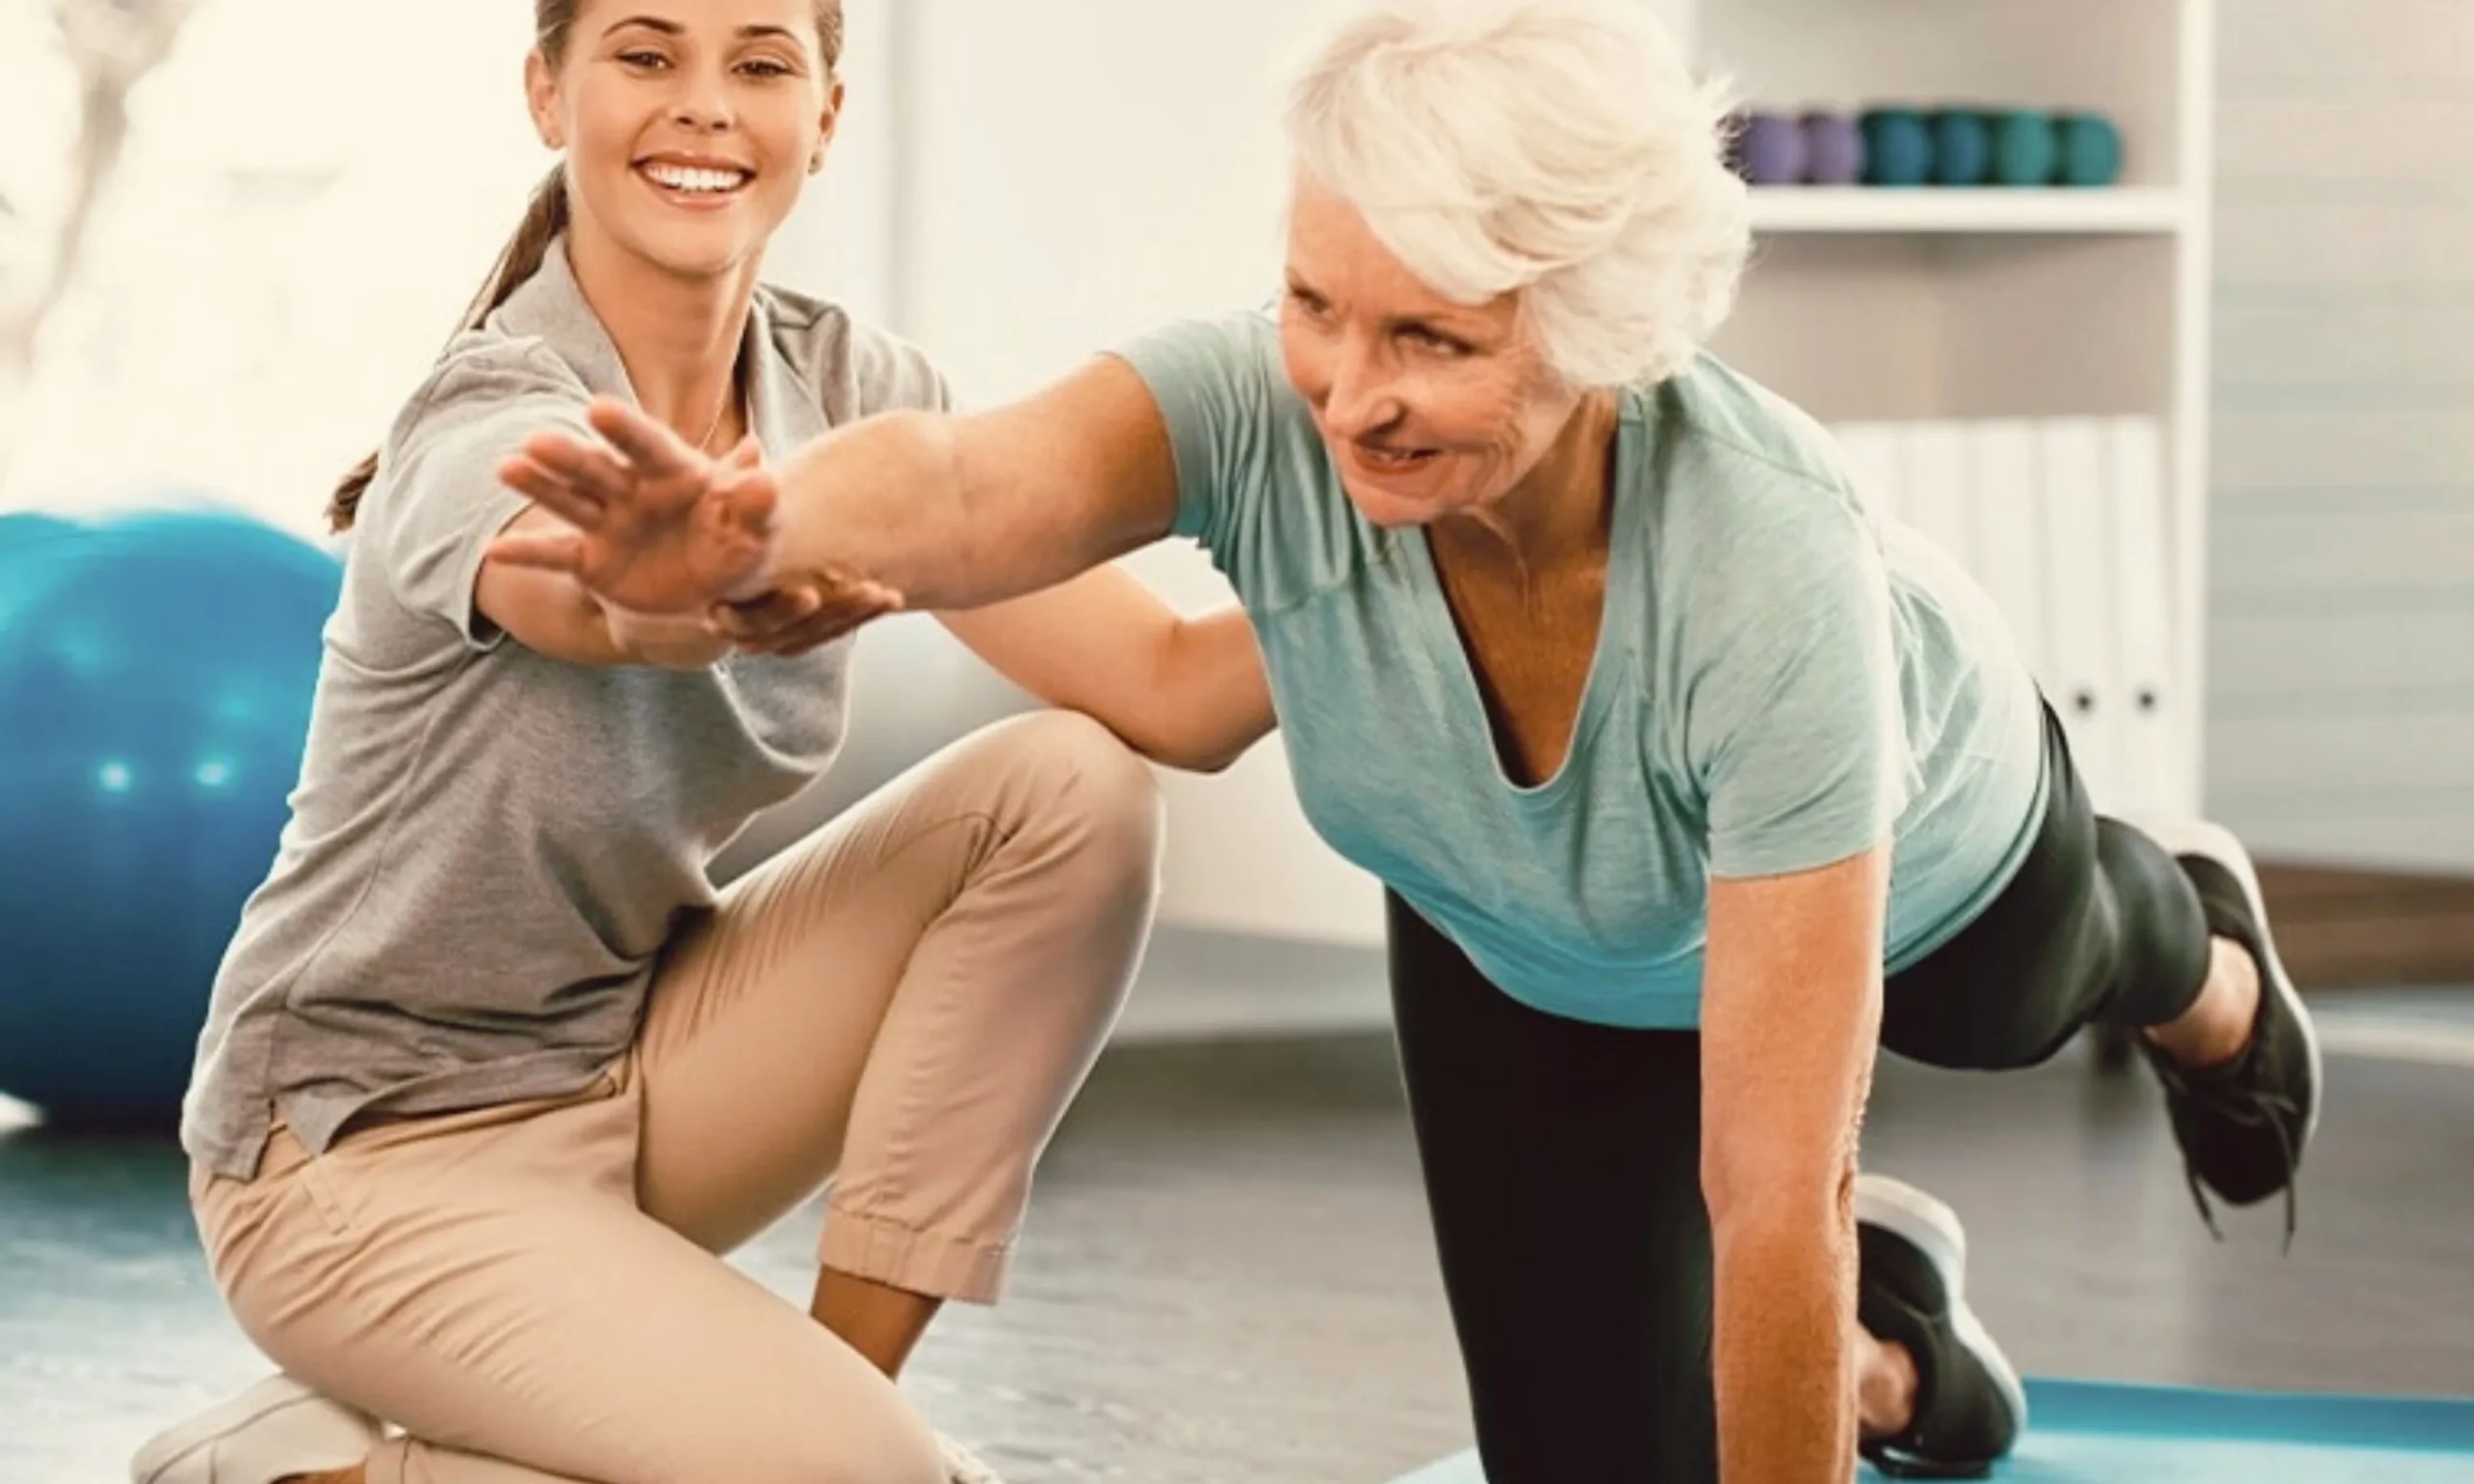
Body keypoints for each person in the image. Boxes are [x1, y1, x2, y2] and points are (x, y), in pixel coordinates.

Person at [489, 0, 2325, 1479]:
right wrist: (760, 525)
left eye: (1434, 341)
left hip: (1941, 875)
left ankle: (2206, 950)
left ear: (1601, 331)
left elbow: (1775, 1190)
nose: (1349, 397)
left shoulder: (1769, 577)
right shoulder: (1261, 406)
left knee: (2038, 987)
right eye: (1316, 307)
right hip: (1522, 944)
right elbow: (976, 483)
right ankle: (1896, 1370)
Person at [126, 3, 1279, 1483]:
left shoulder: (857, 394)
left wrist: (1432, 568)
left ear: (828, 114)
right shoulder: (488, 409)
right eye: (647, 55)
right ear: (550, 92)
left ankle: (837, 1407)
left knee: (1069, 787)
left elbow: (1173, 690)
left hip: (630, 1075)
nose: (706, 108)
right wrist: (670, 594)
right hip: (358, 1154)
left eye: (758, 63)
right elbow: (575, 589)